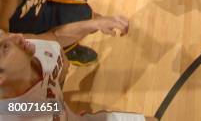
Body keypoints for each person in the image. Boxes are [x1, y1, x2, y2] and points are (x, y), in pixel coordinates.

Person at [0, 20, 155, 120]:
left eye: (4, 34)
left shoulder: (30, 47)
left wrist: (95, 24)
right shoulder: (14, 113)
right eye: (5, 48)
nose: (18, 36)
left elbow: (55, 36)